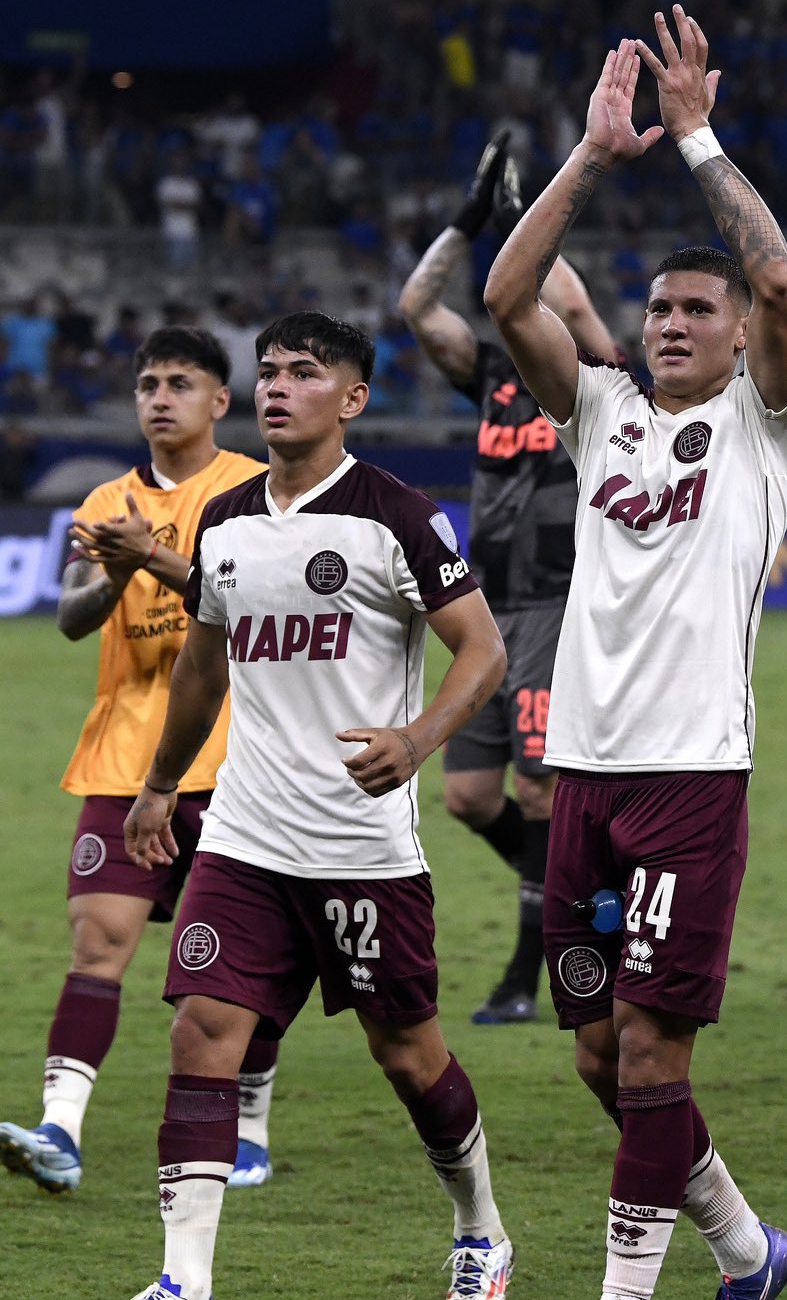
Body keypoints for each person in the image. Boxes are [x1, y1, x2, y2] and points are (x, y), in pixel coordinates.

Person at [482, 12, 787, 1300]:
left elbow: (779, 280)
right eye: (659, 307)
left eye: (695, 310)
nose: (670, 324)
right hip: (584, 773)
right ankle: (744, 1248)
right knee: (595, 1052)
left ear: (734, 338)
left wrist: (697, 140)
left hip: (689, 778)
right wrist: (589, 157)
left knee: (651, 1065)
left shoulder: (760, 426)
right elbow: (507, 297)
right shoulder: (602, 409)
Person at [121, 312, 515, 1300]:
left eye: (303, 372)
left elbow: (484, 649)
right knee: (202, 1027)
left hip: (362, 852)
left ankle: (480, 1226)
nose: (278, 387)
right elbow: (204, 669)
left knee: (406, 1051)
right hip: (247, 839)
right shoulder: (227, 520)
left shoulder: (399, 515)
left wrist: (416, 741)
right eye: (269, 372)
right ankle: (183, 1279)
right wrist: (163, 783)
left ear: (352, 398)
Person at [0, 329, 275, 1198]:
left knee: (242, 957)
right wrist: (116, 575)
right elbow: (74, 621)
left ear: (217, 402)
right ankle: (60, 1133)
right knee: (97, 945)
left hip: (238, 758)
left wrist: (149, 554)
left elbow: (251, 599)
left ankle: (252, 1131)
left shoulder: (250, 489)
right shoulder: (105, 499)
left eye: (180, 383)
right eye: (148, 383)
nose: (160, 397)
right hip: (125, 758)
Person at [399, 129, 618, 1025]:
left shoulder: (594, 382)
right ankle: (575, 893)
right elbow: (418, 306)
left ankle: (529, 974)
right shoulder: (490, 374)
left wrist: (529, 213)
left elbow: (561, 290)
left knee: (538, 790)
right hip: (486, 598)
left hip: (555, 602)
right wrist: (465, 219)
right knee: (468, 796)